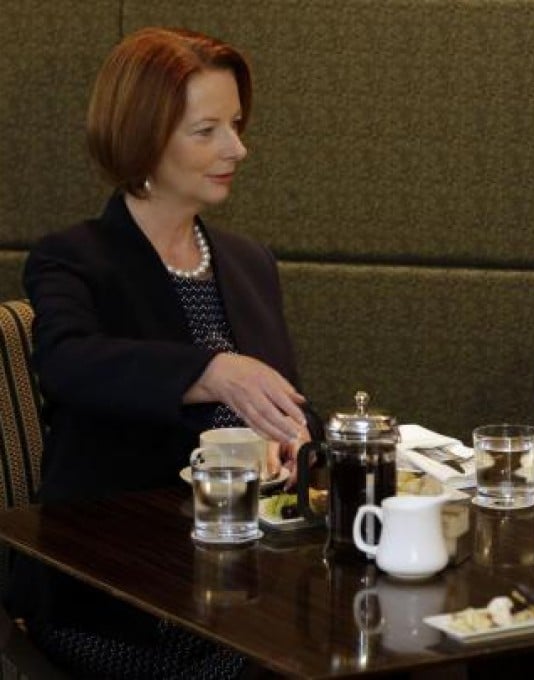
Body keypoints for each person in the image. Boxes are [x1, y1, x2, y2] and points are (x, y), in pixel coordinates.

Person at [5, 27, 318, 678]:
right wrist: (209, 371)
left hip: (247, 576)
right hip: (118, 589)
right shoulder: (74, 257)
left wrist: (295, 439)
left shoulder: (247, 261)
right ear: (142, 137)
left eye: (235, 124)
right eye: (207, 131)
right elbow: (68, 361)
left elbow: (280, 396)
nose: (238, 147)